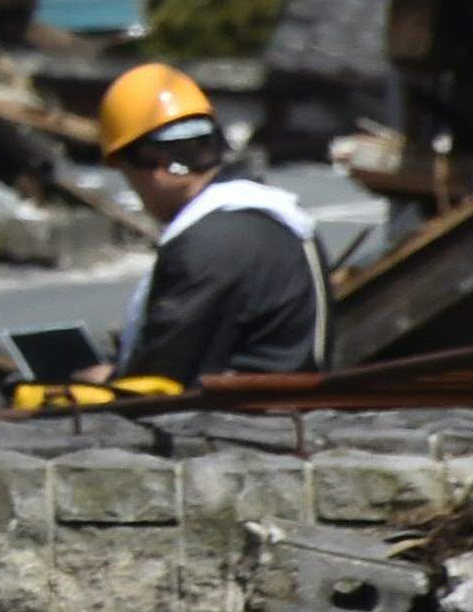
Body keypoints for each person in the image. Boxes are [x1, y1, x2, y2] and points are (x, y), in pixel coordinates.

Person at [97, 61, 328, 382]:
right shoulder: (271, 215)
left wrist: (103, 380)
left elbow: (159, 376)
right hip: (284, 410)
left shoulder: (209, 244)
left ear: (158, 163)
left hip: (237, 420)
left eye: (129, 175)